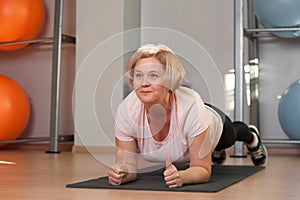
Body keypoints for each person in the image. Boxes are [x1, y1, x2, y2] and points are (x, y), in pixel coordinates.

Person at [108, 44, 267, 188]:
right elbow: (128, 168)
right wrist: (121, 174)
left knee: (230, 136)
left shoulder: (192, 107)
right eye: (139, 75)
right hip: (193, 130)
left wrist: (182, 176)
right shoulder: (126, 111)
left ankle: (251, 136)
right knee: (208, 146)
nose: (144, 83)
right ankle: (215, 150)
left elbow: (202, 169)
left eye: (153, 76)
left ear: (169, 79)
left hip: (211, 122)